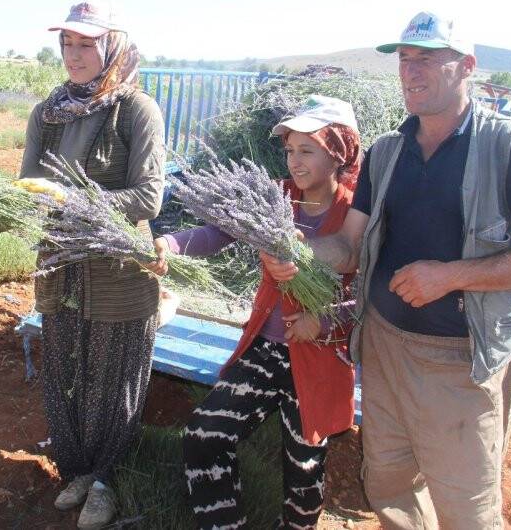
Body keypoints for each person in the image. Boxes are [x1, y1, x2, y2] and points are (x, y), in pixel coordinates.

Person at [294, 12, 511, 528]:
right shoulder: (386, 152)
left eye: (427, 58)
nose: (410, 71)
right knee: (389, 487)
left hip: (458, 360)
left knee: (466, 507)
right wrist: (297, 251)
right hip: (382, 348)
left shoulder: (506, 145)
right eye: (403, 58)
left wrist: (449, 276)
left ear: (466, 66)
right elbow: (348, 248)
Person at [148, 95, 361, 529]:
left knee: (304, 469)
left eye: (307, 150)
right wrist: (168, 245)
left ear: (338, 152)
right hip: (265, 349)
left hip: (320, 357)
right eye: (289, 150)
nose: (294, 162)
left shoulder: (355, 213)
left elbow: (372, 295)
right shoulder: (276, 197)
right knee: (204, 437)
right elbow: (217, 232)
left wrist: (324, 320)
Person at [20, 0, 166, 529]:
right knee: (65, 371)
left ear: (111, 47)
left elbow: (149, 197)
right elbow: (28, 185)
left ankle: (107, 478)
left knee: (115, 375)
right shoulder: (48, 112)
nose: (74, 54)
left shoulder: (136, 110)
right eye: (67, 43)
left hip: (117, 273)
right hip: (60, 266)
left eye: (86, 44)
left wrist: (76, 204)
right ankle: (78, 469)